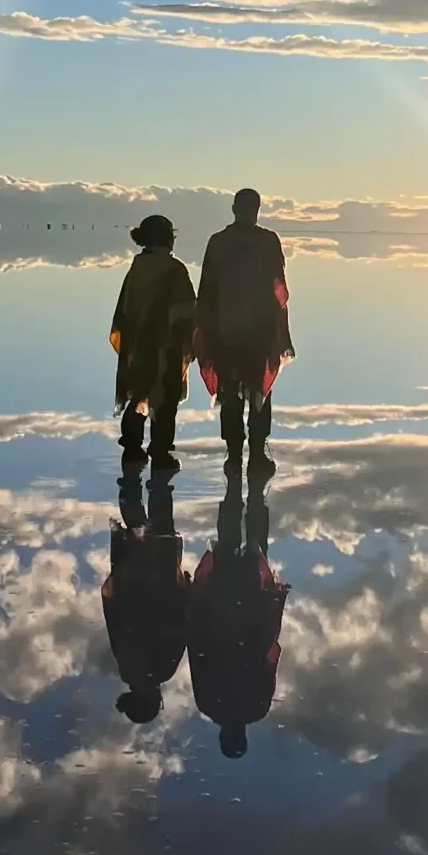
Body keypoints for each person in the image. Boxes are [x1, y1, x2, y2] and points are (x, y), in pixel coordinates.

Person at [187, 465, 288, 757]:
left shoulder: (258, 709)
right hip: (217, 613)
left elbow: (270, 660)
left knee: (253, 553)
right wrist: (197, 609)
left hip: (252, 617)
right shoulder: (207, 705)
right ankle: (234, 495)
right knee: (228, 552)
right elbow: (196, 653)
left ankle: (252, 498)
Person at [195, 188, 293, 474]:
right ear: (257, 209)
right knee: (259, 391)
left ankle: (234, 453)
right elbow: (279, 288)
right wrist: (280, 328)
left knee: (230, 392)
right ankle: (257, 452)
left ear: (234, 208)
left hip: (225, 329)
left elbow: (206, 291)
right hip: (259, 330)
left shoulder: (218, 242)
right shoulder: (268, 241)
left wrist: (204, 328)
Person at [108, 213, 195, 472]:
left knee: (138, 394)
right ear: (168, 239)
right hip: (166, 346)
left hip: (138, 345)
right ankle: (160, 451)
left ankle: (132, 448)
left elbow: (124, 309)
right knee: (165, 403)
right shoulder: (174, 269)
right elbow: (187, 309)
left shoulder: (137, 268)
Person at [102, 468, 189, 725]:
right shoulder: (127, 670)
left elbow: (181, 626)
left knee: (160, 531)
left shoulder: (162, 670)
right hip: (131, 587)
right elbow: (116, 624)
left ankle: (158, 483)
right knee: (135, 532)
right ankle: (130, 485)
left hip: (159, 587)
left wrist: (185, 590)